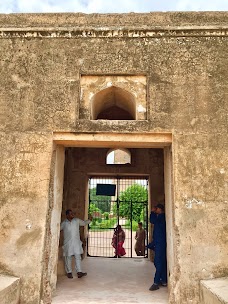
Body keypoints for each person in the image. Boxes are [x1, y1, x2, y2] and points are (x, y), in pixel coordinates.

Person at [60, 209, 92, 279]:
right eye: (71, 214)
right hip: (68, 243)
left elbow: (84, 223)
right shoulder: (64, 223)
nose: (73, 215)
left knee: (78, 257)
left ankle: (79, 272)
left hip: (76, 243)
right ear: (67, 215)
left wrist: (90, 220)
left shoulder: (76, 220)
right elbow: (58, 228)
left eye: (73, 213)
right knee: (68, 258)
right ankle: (69, 272)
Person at [148, 203, 167, 291]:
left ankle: (156, 282)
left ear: (159, 209)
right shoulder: (160, 217)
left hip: (160, 243)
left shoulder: (161, 217)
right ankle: (163, 280)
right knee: (159, 262)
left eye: (156, 209)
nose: (155, 210)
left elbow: (152, 220)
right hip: (158, 242)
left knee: (158, 262)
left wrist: (152, 212)